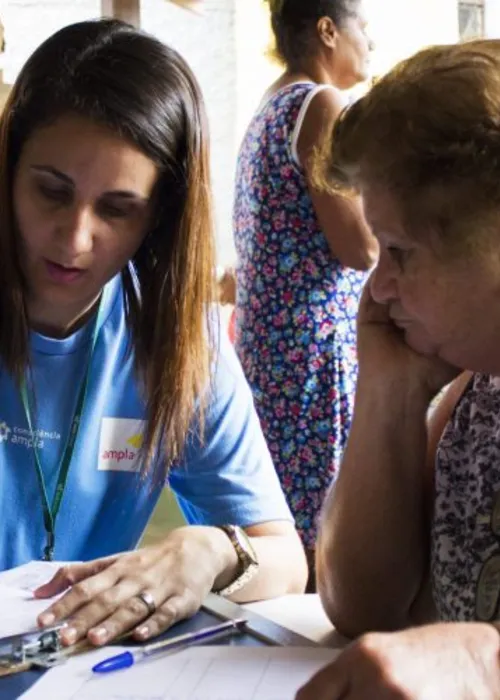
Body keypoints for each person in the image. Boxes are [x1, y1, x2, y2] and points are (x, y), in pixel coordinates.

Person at [0, 18, 308, 650]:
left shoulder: (177, 341)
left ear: (159, 221)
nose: (74, 238)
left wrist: (212, 551)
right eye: (51, 192)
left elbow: (286, 559)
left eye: (116, 209)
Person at [297, 39, 500, 699]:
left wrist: (483, 666)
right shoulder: (476, 387)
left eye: (401, 251)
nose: (378, 287)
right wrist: (389, 388)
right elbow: (363, 607)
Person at [233, 0, 378, 585]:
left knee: (284, 536)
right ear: (327, 31)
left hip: (270, 359)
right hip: (314, 364)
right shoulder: (322, 106)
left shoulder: (269, 108)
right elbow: (361, 248)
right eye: (363, 26)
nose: (371, 40)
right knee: (326, 550)